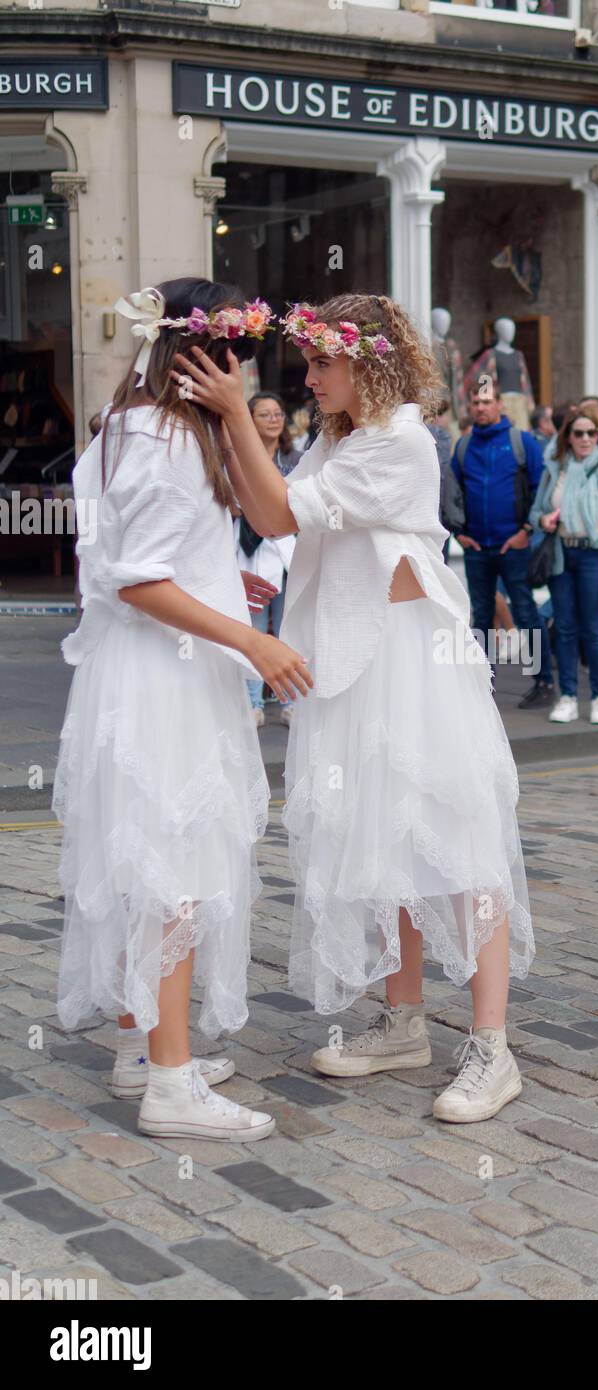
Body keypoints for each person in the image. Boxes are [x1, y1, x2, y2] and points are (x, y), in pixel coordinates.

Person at [174, 292, 535, 1124]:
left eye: (320, 362)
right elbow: (275, 514)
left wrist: (233, 411)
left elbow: (274, 511)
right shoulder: (340, 439)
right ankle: (401, 1020)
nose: (308, 379)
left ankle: (491, 1046)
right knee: (377, 840)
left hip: (412, 663)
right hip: (352, 663)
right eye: (305, 363)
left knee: (457, 840)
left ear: (366, 361)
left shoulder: (402, 442)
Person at [55, 279, 311, 1141]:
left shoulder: (129, 425)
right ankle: (170, 1084)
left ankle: (141, 1045)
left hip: (144, 671)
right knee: (176, 875)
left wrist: (214, 580)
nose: (244, 368)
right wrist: (252, 640)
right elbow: (140, 579)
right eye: (234, 351)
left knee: (152, 866)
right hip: (166, 679)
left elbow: (156, 556)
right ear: (201, 354)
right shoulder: (166, 440)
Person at [449, 378, 554, 709]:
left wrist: (526, 530)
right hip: (477, 547)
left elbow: (542, 489)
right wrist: (458, 532)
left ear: (499, 406)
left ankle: (543, 682)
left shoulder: (523, 442)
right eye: (475, 403)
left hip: (515, 545)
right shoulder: (464, 446)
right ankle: (484, 682)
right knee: (480, 617)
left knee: (525, 612)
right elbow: (451, 492)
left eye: (486, 402)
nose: (480, 408)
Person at [528, 406, 598, 725]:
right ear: (567, 437)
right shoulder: (554, 469)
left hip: (594, 555)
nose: (584, 439)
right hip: (561, 553)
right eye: (578, 433)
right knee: (566, 628)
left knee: (594, 629)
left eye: (591, 433)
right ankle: (568, 696)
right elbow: (534, 514)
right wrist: (543, 519)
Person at [237, 392, 301, 727]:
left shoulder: (296, 457)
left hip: (290, 553)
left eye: (278, 413)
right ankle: (252, 702)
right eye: (265, 414)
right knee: (255, 631)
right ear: (249, 419)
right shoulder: (238, 455)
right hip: (252, 551)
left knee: (289, 629)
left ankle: (290, 701)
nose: (274, 419)